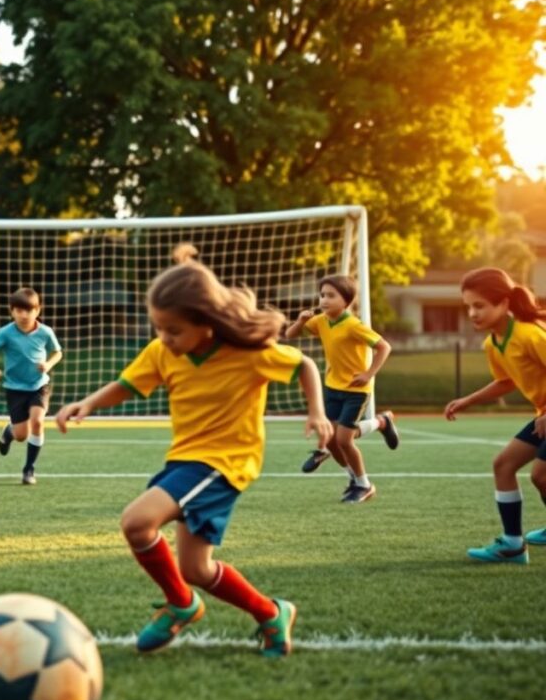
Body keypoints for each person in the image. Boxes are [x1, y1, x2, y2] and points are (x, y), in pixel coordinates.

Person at [55, 259, 333, 656]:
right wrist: (88, 403)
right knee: (196, 569)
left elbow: (303, 364)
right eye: (158, 327)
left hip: (225, 463)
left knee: (137, 522)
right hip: (186, 460)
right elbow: (127, 384)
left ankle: (181, 604)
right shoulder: (162, 352)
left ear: (207, 322)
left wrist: (316, 412)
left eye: (174, 329)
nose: (164, 337)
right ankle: (272, 613)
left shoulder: (247, 352)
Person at [445, 267, 546, 564]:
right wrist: (468, 400)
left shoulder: (531, 335)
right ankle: (513, 545)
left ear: (503, 303)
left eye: (479, 306)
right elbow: (506, 381)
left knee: (540, 474)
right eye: (468, 307)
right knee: (503, 465)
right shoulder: (493, 343)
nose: (472, 313)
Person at [285, 275, 398, 503]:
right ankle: (357, 473)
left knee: (344, 440)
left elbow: (384, 347)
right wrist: (300, 321)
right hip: (332, 387)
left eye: (331, 295)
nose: (324, 300)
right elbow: (290, 335)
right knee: (330, 439)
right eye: (322, 295)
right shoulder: (321, 321)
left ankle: (365, 485)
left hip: (356, 390)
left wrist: (368, 374)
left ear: (346, 300)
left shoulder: (354, 326)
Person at [0, 287, 62, 485]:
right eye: (19, 310)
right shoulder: (6, 333)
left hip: (39, 385)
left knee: (37, 422)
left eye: (28, 310)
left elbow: (57, 352)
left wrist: (48, 365)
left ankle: (29, 469)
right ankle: (9, 432)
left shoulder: (45, 332)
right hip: (15, 388)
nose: (24, 315)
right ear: (12, 311)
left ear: (38, 311)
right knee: (21, 435)